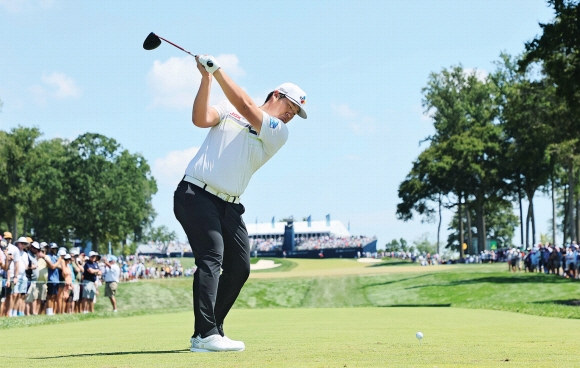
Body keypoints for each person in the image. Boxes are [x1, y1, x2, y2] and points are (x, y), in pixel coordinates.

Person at [173, 54, 307, 353]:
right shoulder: (227, 111)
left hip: (229, 205)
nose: (291, 115)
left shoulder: (277, 131)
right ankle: (207, 334)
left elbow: (246, 106)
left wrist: (218, 70)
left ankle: (209, 330)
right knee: (211, 256)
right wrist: (207, 79)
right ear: (276, 95)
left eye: (296, 113)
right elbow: (200, 119)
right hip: (195, 193)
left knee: (241, 267)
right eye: (290, 107)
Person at [44, 243, 61, 315]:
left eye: (56, 248)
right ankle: (49, 312)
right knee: (50, 296)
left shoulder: (56, 257)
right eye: (53, 248)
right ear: (50, 249)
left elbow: (61, 267)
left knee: (54, 296)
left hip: (56, 279)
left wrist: (56, 264)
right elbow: (52, 267)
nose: (55, 250)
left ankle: (52, 311)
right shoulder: (48, 256)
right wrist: (58, 262)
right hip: (50, 279)